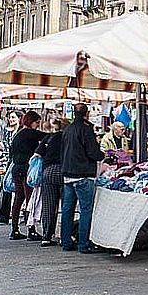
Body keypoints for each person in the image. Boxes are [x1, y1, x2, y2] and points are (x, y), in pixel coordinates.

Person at [60, 103, 104, 253]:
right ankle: (83, 244)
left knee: (67, 209)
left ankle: (66, 241)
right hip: (83, 175)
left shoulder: (67, 129)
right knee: (86, 210)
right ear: (87, 114)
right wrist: (103, 155)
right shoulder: (86, 129)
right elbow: (93, 152)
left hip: (68, 175)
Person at [7, 110, 46, 240]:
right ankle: (31, 230)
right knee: (30, 200)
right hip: (26, 170)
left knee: (18, 199)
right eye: (37, 122)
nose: (38, 125)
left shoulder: (17, 135)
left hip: (16, 169)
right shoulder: (30, 134)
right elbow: (48, 136)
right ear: (31, 122)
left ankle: (15, 230)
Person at [34, 117, 64, 246]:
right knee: (66, 206)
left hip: (48, 172)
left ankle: (46, 236)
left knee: (48, 205)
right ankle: (65, 236)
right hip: (64, 172)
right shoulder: (68, 138)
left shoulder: (49, 138)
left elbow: (37, 154)